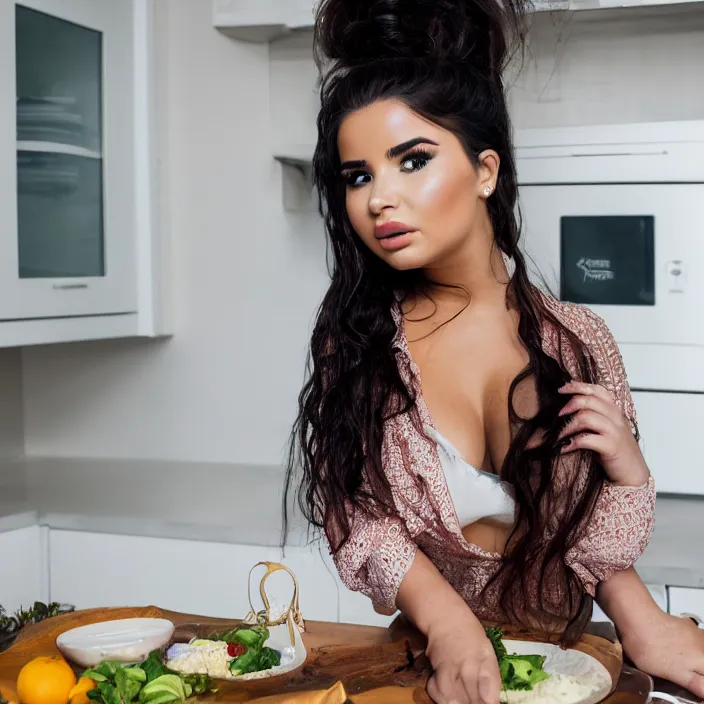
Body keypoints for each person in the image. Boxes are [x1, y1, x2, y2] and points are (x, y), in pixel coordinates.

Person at [283, 1, 704, 702]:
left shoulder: (577, 340)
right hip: (427, 666)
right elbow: (360, 522)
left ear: (485, 171)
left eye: (412, 161)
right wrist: (449, 625)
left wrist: (645, 614)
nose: (380, 199)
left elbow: (590, 539)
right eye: (358, 177)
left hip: (568, 669)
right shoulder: (359, 344)